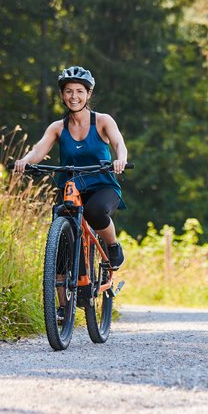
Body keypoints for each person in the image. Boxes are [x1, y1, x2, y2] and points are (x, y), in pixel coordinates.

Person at [14, 65, 128, 270]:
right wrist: (25, 160)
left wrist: (120, 159)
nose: (73, 96)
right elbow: (38, 151)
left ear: (88, 94)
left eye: (79, 91)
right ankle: (63, 297)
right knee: (62, 251)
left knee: (94, 210)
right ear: (61, 94)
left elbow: (119, 143)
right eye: (68, 91)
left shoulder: (102, 121)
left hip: (103, 186)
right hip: (71, 189)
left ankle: (112, 246)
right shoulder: (57, 127)